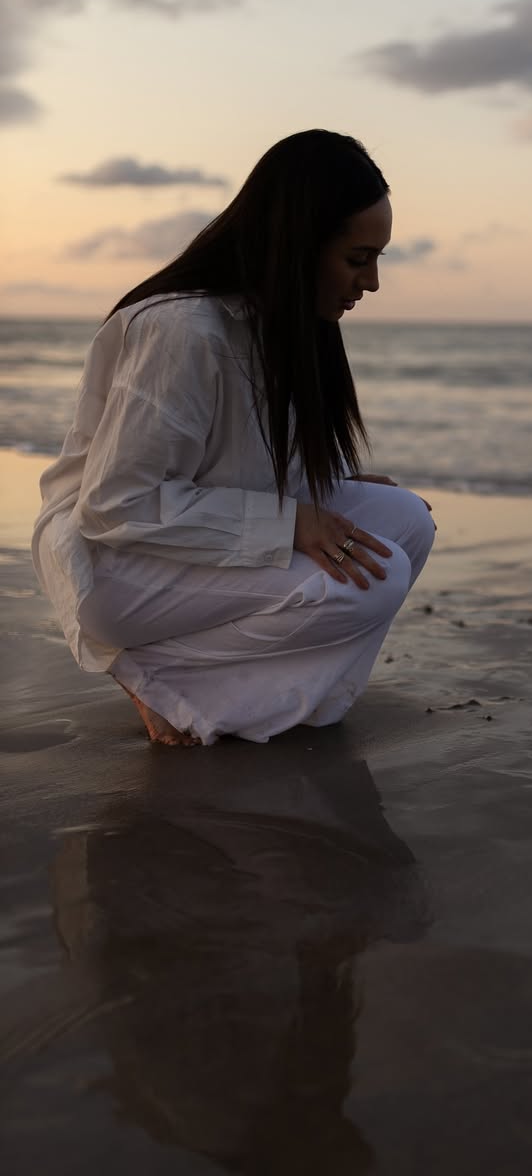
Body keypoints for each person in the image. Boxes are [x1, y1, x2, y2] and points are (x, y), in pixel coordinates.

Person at [32, 129, 436, 746]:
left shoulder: (287, 323)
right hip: (115, 564)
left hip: (190, 539)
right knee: (372, 583)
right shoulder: (182, 329)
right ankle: (167, 683)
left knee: (406, 521)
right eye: (358, 259)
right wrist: (292, 522)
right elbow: (117, 502)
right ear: (298, 246)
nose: (373, 282)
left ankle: (240, 696)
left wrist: (325, 490)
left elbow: (239, 460)